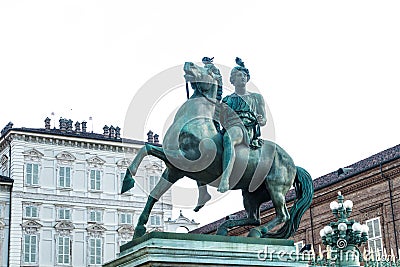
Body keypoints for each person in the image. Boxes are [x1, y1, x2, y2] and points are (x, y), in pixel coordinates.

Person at [218, 57, 267, 193]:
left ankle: (225, 179)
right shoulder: (227, 100)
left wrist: (260, 119)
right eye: (239, 75)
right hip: (231, 126)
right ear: (233, 80)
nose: (243, 78)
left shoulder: (256, 98)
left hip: (246, 128)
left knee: (229, 138)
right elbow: (220, 119)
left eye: (245, 75)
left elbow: (264, 121)